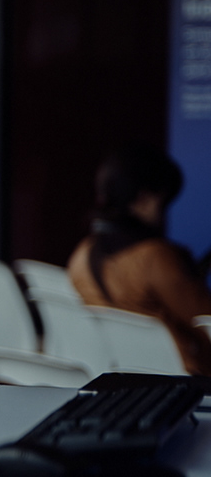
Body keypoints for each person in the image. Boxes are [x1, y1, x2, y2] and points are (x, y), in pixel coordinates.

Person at [67, 144, 211, 374]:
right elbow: (205, 318)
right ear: (143, 199)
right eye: (163, 202)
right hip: (183, 378)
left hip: (120, 376)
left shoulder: (82, 253)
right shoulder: (155, 258)